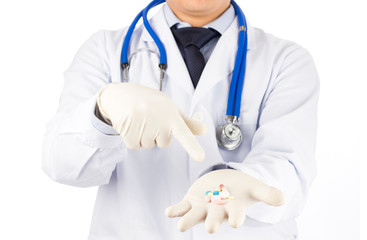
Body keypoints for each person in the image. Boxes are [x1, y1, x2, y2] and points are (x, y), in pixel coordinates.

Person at [42, 0, 319, 239]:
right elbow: (61, 162)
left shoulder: (285, 61)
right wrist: (102, 112)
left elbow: (289, 171)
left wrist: (237, 182)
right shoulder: (103, 51)